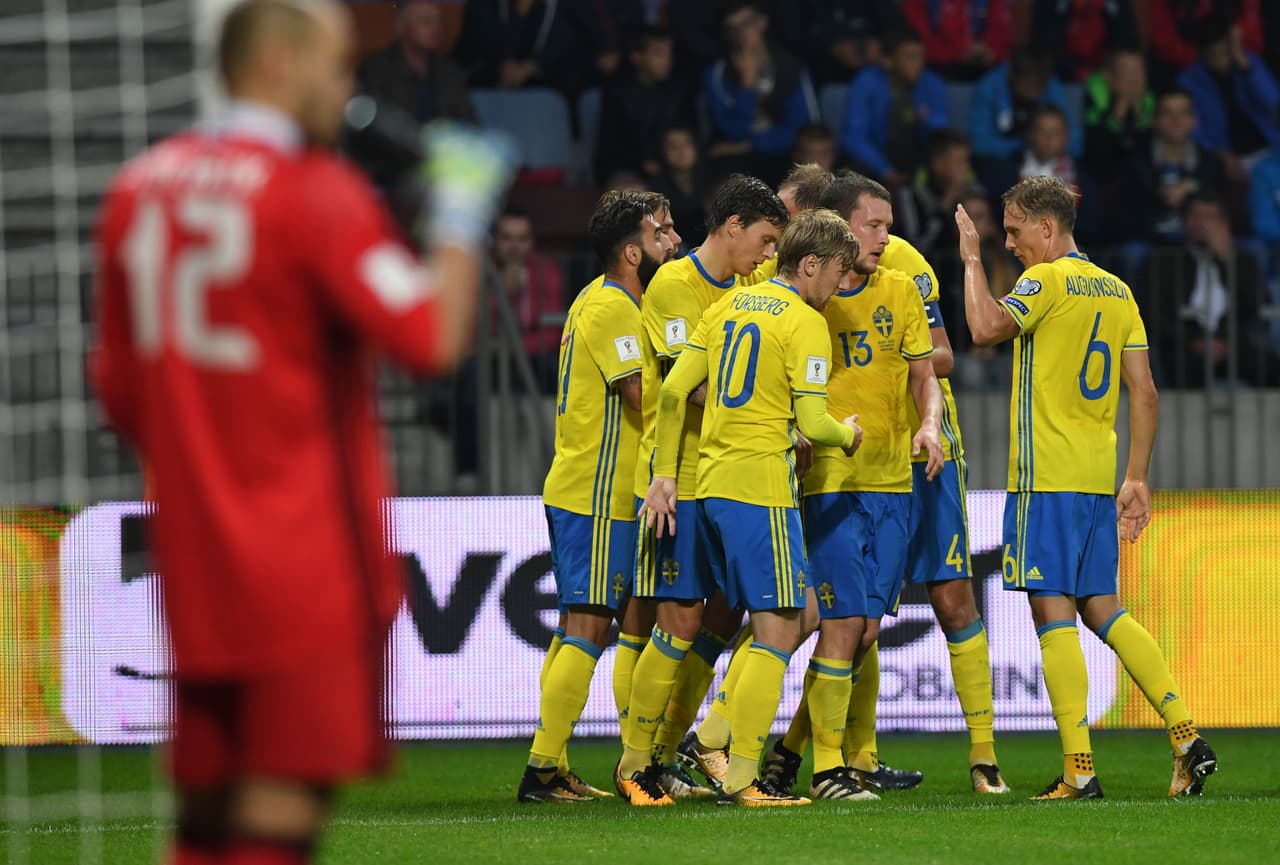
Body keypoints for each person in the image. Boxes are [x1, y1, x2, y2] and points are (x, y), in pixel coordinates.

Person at [90, 1, 515, 861]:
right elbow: (431, 337)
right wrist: (460, 218)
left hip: (196, 561)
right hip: (303, 566)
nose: (348, 87)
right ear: (279, 64)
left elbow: (121, 390)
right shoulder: (316, 193)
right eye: (337, 65)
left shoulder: (138, 190)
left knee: (206, 817)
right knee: (278, 819)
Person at [955, 174, 1218, 799]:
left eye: (1015, 231)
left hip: (1045, 479)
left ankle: (1079, 769)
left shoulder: (1045, 281)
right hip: (1098, 479)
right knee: (1105, 608)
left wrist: (970, 260)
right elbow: (1144, 391)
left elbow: (985, 328)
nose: (1010, 243)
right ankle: (1185, 734)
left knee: (1053, 615)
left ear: (1047, 228)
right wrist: (1137, 477)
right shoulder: (1118, 290)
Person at [642, 208, 865, 807]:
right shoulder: (805, 322)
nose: (842, 284)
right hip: (761, 487)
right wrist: (847, 434)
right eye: (839, 272)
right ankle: (741, 775)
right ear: (811, 264)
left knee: (780, 617)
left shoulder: (729, 305)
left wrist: (665, 474)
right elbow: (814, 422)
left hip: (711, 485)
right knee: (780, 627)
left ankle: (704, 742)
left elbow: (672, 389)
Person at [759, 173, 948, 801]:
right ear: (841, 226)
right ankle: (822, 767)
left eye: (888, 226)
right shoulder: (803, 299)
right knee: (838, 622)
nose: (885, 237)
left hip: (893, 483)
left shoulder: (900, 289)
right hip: (831, 482)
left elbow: (925, 375)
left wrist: (929, 424)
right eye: (874, 225)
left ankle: (786, 753)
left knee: (863, 631)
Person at [619, 175, 790, 803]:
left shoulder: (747, 288)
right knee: (678, 621)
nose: (768, 254)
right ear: (734, 225)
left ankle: (670, 753)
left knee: (720, 619)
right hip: (678, 479)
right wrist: (775, 411)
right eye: (764, 240)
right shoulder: (674, 285)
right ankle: (635, 764)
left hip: (725, 476)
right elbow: (687, 385)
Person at [518, 190, 671, 804]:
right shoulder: (612, 307)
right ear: (633, 252)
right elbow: (639, 394)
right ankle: (541, 769)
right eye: (661, 233)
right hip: (598, 491)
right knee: (588, 625)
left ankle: (559, 763)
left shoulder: (600, 299)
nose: (674, 241)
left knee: (585, 626)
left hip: (590, 488)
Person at [1149, 193, 1279, 388]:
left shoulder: (1242, 261)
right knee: (1181, 367)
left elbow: (1258, 305)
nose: (1202, 224)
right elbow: (1154, 313)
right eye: (1196, 216)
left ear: (1224, 224)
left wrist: (1227, 261)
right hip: (1185, 346)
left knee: (1271, 366)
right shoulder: (1166, 261)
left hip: (1232, 345)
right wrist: (1194, 341)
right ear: (1185, 221)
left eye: (1210, 217)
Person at [703, 1, 819, 183]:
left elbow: (802, 128)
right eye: (733, 28)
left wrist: (749, 145)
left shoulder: (791, 68)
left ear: (762, 22)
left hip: (782, 152)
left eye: (747, 24)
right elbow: (732, 131)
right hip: (737, 160)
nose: (741, 34)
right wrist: (747, 84)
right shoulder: (718, 74)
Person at [1109, 88, 1225, 245]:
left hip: (1197, 241)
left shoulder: (1210, 161)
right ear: (1155, 121)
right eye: (1167, 113)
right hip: (1147, 241)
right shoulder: (1135, 161)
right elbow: (1126, 217)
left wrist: (1190, 187)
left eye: (1183, 113)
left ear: (1194, 120)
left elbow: (1216, 204)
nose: (1176, 120)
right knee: (1133, 250)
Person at [841, 26, 949, 190]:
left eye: (921, 56)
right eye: (910, 57)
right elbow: (855, 138)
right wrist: (886, 171)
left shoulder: (932, 83)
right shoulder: (866, 82)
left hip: (918, 163)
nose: (919, 64)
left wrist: (925, 120)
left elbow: (940, 134)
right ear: (887, 60)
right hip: (875, 164)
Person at [1177, 15, 1280, 180]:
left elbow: (1273, 102)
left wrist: (1246, 67)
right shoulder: (1189, 82)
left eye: (1225, 53)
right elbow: (1193, 129)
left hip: (1271, 147)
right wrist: (1219, 154)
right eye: (1213, 55)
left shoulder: (1248, 63)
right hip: (1230, 159)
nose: (1221, 61)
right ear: (1201, 54)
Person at [969, 48, 1081, 192]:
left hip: (1043, 154)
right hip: (1004, 160)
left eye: (1038, 86)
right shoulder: (989, 87)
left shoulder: (1052, 85)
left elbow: (1074, 140)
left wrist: (1046, 144)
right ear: (1012, 77)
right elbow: (979, 143)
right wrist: (1024, 145)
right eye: (1028, 85)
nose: (1033, 93)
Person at [595, 27, 697, 183]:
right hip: (629, 168)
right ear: (637, 57)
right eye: (658, 53)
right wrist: (641, 163)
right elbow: (611, 146)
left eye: (669, 53)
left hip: (671, 165)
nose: (667, 60)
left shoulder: (678, 91)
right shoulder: (617, 94)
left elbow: (687, 133)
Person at [354, 0, 476, 127]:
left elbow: (470, 123)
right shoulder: (377, 68)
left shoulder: (448, 69)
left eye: (439, 21)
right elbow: (369, 123)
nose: (435, 28)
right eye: (425, 21)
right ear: (402, 26)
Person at [491, 207, 566, 393]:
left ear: (531, 242)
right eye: (507, 238)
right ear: (495, 241)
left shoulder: (547, 270)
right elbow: (476, 328)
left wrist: (517, 348)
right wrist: (506, 293)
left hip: (537, 355)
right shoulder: (482, 271)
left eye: (522, 239)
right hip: (493, 357)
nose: (514, 247)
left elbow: (553, 331)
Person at [894, 129, 986, 258]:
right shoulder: (909, 194)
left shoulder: (971, 189)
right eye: (960, 162)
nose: (967, 168)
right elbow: (917, 248)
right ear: (937, 164)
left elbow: (988, 235)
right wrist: (946, 205)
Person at [1082, 44, 1155, 181]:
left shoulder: (1153, 103)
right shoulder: (1094, 100)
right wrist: (1117, 115)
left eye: (1139, 72)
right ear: (1109, 77)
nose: (1134, 80)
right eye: (1127, 73)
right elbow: (1096, 157)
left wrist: (1140, 114)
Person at [1029, 0, 1139, 83]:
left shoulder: (1116, 3)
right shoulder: (1049, 3)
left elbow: (1129, 43)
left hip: (1108, 76)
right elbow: (1043, 48)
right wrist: (1075, 72)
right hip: (1062, 78)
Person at [900, 0, 1013, 80]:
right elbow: (917, 39)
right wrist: (957, 54)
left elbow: (1003, 32)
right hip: (939, 69)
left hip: (987, 67)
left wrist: (990, 50)